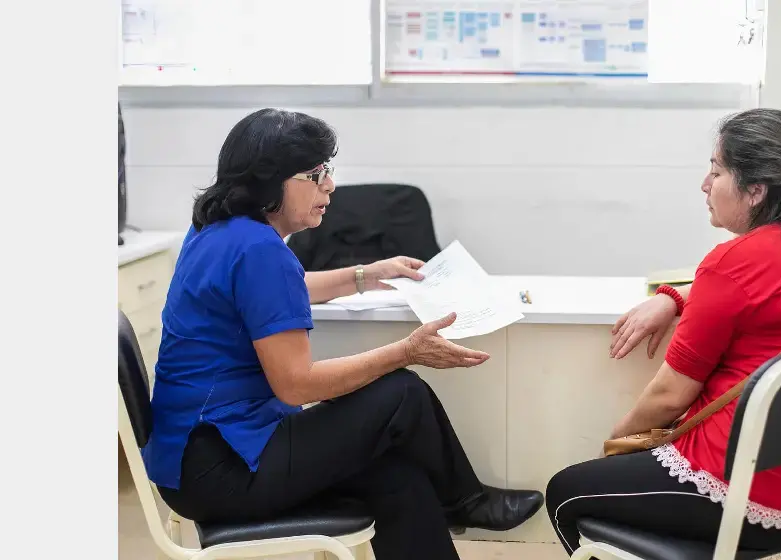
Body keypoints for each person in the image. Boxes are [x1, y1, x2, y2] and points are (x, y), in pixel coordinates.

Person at [142, 108, 544, 560]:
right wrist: (406, 350)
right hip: (224, 467)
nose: (330, 185)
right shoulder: (258, 249)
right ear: (271, 179)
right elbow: (296, 386)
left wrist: (365, 275)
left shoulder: (220, 230)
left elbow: (276, 291)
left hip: (195, 460)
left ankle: (462, 501)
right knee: (401, 392)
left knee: (398, 478)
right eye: (316, 174)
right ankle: (466, 501)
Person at [545, 108, 781, 555]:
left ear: (756, 190)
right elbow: (750, 295)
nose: (706, 185)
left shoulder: (734, 261)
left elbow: (668, 397)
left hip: (739, 495)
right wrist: (675, 297)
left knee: (566, 490)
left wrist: (615, 446)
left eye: (717, 171)